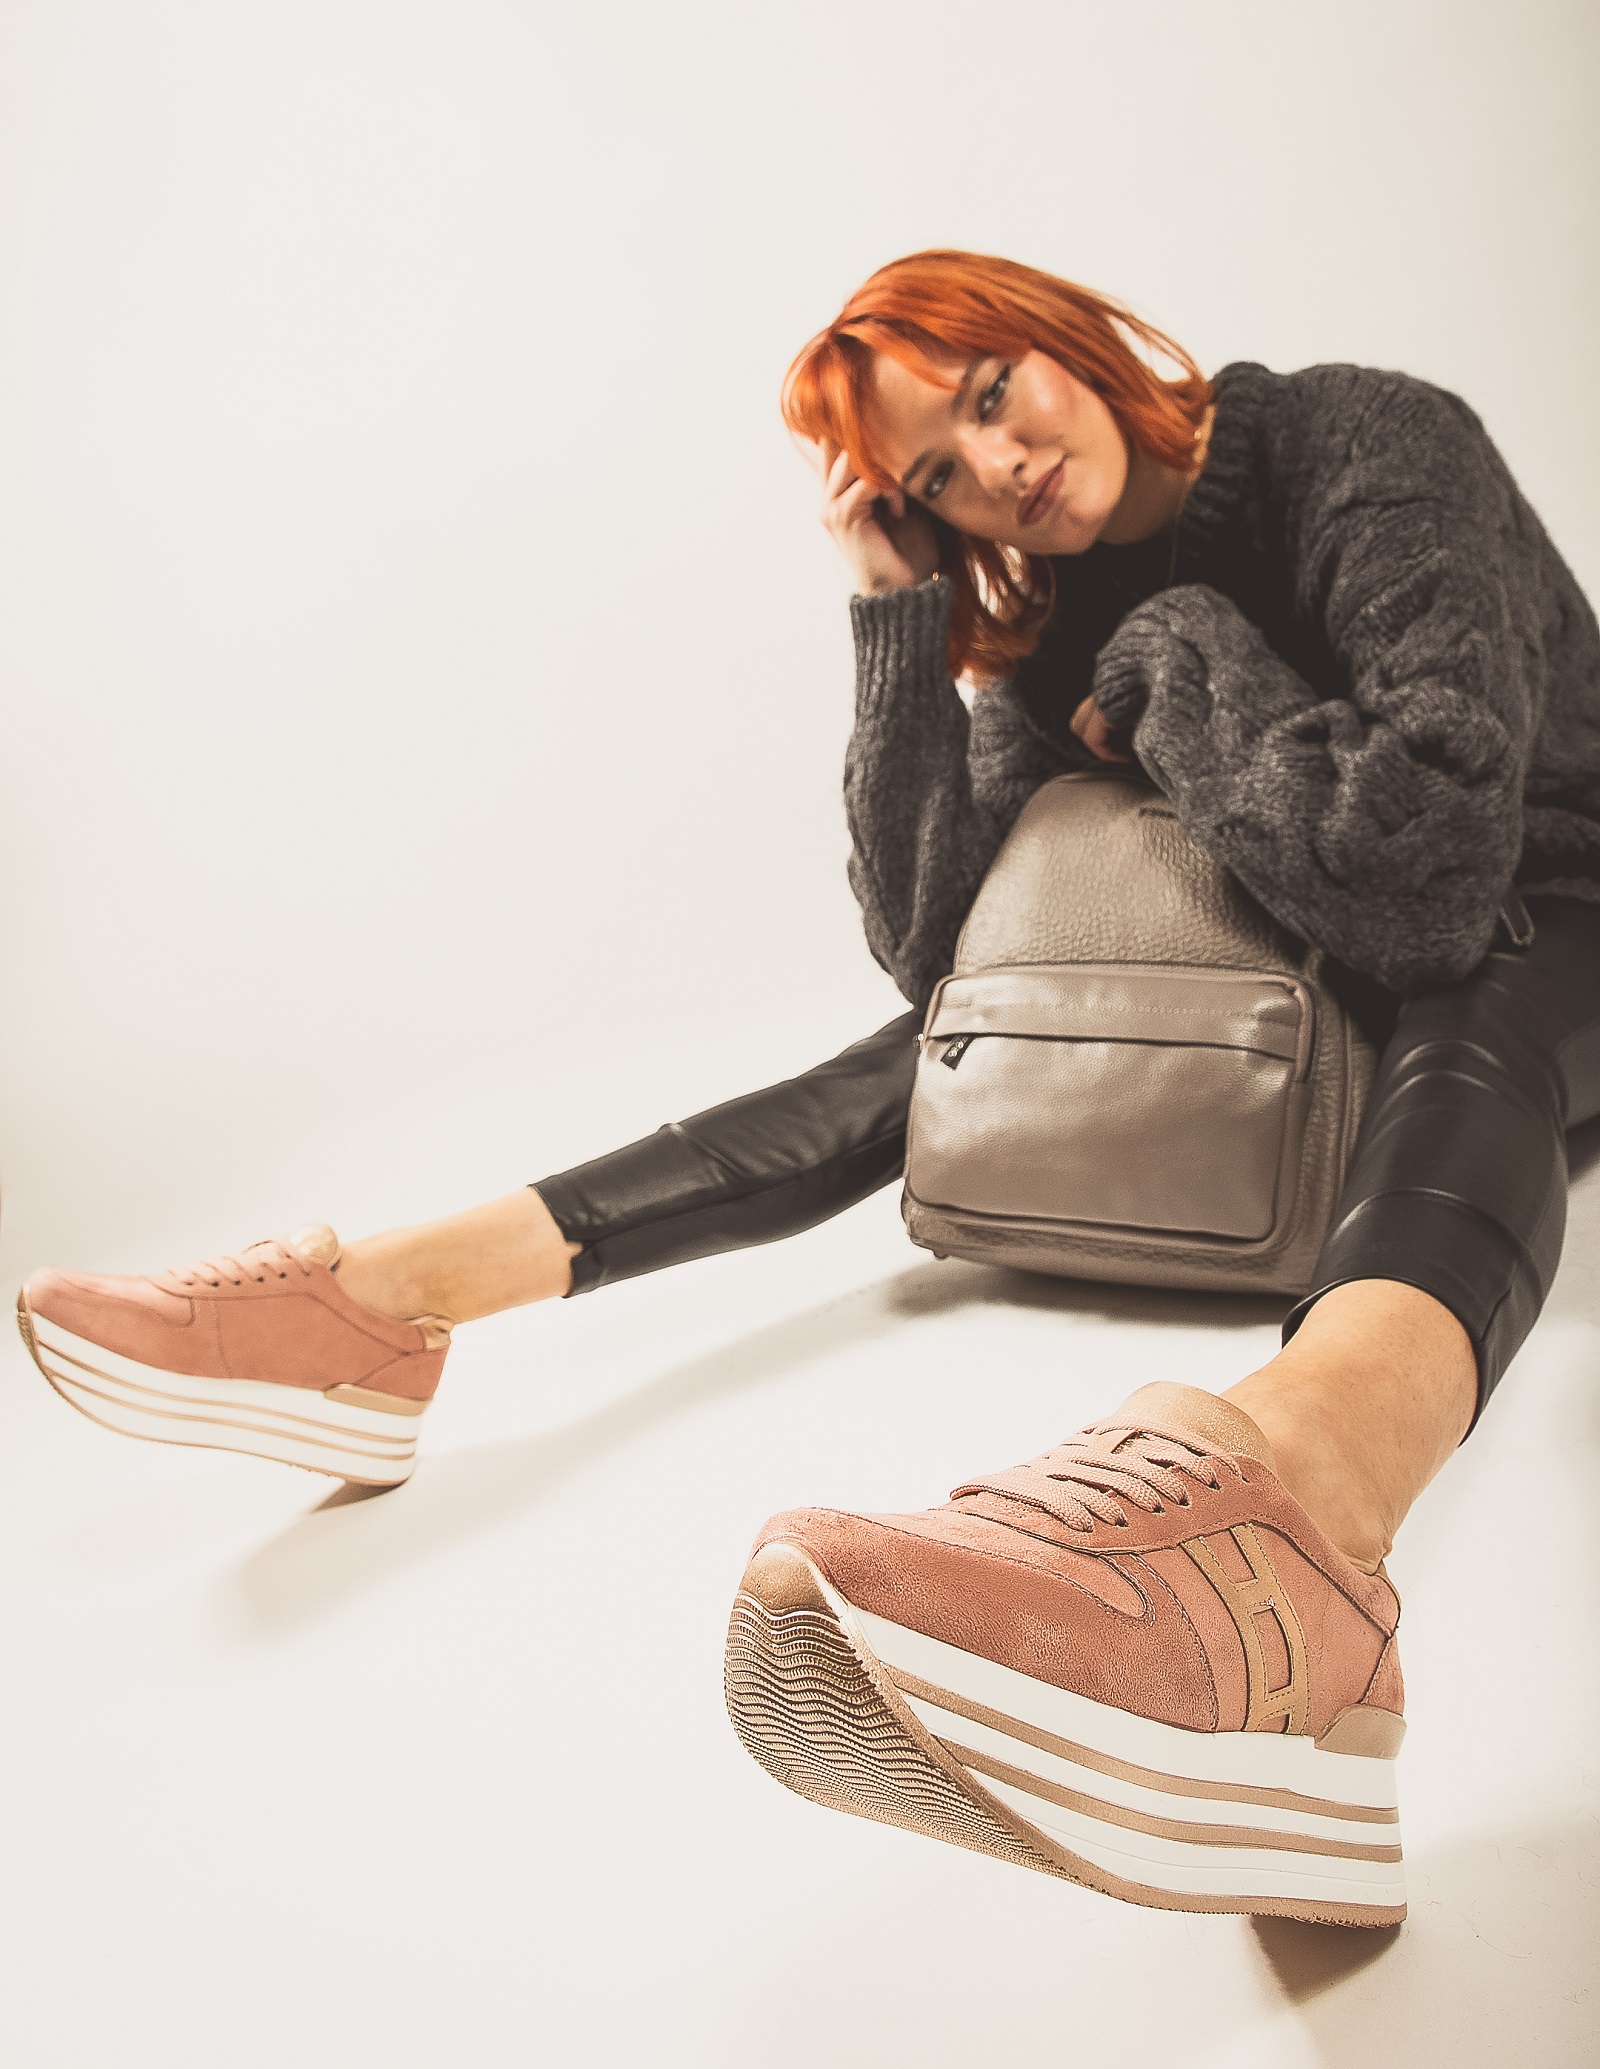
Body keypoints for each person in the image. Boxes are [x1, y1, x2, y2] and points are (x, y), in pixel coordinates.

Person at [19, 252, 1600, 1927]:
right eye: (938, 474)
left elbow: (1431, 873)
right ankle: (385, 1306)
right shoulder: (1058, 604)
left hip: (1556, 906)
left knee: (1475, 1007)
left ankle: (1307, 1534)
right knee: (930, 1053)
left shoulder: (1361, 444)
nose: (997, 468)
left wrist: (1183, 652)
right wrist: (901, 618)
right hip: (1309, 950)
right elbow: (937, 955)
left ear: (1063, 338)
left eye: (992, 395)